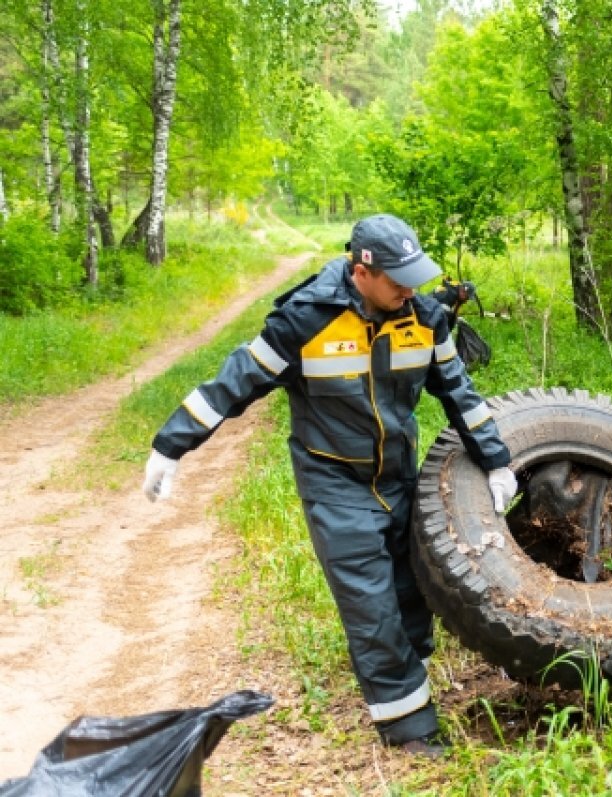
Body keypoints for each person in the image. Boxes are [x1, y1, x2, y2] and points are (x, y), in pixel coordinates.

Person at [141, 213, 518, 757]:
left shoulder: (425, 319)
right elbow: (235, 382)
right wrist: (170, 444)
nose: (409, 290)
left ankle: (407, 676)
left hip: (397, 476)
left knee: (413, 590)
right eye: (397, 280)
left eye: (415, 277)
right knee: (371, 606)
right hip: (333, 482)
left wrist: (498, 461)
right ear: (361, 271)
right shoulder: (304, 321)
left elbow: (458, 393)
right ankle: (410, 730)